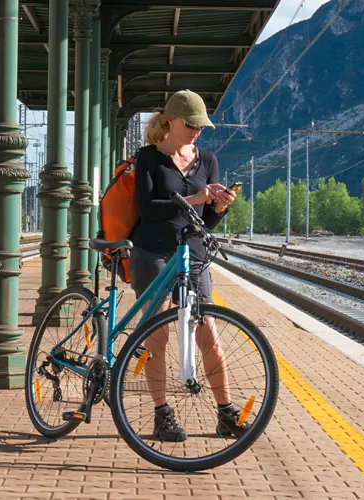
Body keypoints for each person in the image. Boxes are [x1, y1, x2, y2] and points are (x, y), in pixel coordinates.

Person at [129, 90, 246, 442]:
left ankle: (226, 413)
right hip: (153, 251)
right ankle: (162, 414)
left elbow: (206, 221)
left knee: (207, 330)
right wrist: (196, 198)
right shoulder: (148, 158)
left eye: (201, 125)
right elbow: (147, 208)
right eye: (191, 124)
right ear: (171, 121)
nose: (197, 130)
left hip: (193, 252)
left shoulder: (207, 160)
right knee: (159, 334)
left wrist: (220, 206)